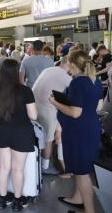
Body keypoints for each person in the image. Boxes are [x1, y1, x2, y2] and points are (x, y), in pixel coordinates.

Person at [49, 50, 103, 213]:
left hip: (78, 132)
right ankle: (77, 198)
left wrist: (54, 102)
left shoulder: (77, 83)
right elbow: (98, 106)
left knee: (81, 172)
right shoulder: (95, 80)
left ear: (72, 64)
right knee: (83, 169)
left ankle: (89, 210)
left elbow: (75, 112)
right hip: (90, 128)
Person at [0, 59, 37, 211]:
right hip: (22, 132)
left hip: (1, 131)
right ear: (16, 73)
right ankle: (17, 201)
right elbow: (33, 116)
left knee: (3, 167)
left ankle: (2, 200)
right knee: (17, 169)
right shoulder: (25, 90)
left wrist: (1, 121)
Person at [32, 56, 71, 175]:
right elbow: (77, 89)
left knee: (37, 135)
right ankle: (45, 166)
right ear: (69, 64)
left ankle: (37, 162)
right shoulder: (64, 76)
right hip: (47, 109)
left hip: (33, 106)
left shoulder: (48, 69)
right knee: (48, 138)